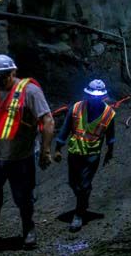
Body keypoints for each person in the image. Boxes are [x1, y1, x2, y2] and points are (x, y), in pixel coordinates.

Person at [0, 54, 54, 250]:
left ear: (13, 72)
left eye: (2, 77)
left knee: (23, 197)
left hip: (21, 156)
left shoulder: (30, 91)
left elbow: (48, 121)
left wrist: (45, 151)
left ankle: (28, 229)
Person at [53, 79, 115, 232]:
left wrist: (110, 152)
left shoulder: (109, 114)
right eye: (92, 97)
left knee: (84, 185)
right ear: (87, 95)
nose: (95, 100)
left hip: (92, 155)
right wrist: (58, 148)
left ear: (103, 97)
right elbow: (65, 129)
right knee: (73, 183)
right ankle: (84, 198)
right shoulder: (75, 108)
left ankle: (78, 215)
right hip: (74, 152)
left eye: (98, 97)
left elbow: (111, 135)